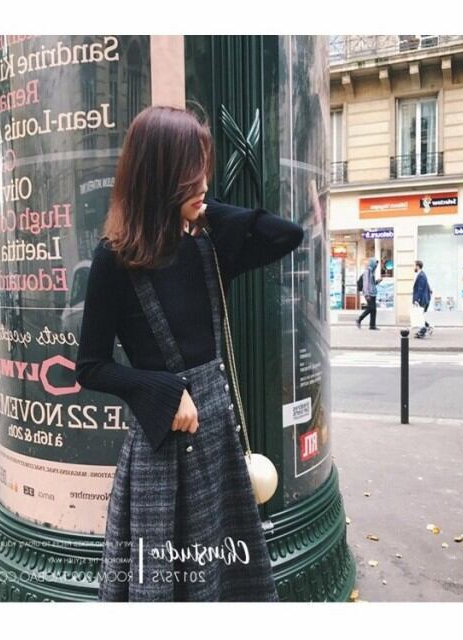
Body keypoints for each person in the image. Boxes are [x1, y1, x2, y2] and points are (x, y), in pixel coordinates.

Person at [75, 105, 304, 602]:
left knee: (223, 583)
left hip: (219, 441)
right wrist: (163, 390)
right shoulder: (114, 259)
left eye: (204, 169)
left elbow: (288, 234)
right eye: (190, 171)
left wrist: (205, 206)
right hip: (163, 448)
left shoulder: (208, 248)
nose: (203, 181)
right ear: (159, 176)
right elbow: (90, 367)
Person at [356, 256, 382, 330]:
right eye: (375, 264)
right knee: (371, 308)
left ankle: (372, 325)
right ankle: (359, 319)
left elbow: (372, 284)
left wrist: (377, 281)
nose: (376, 266)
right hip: (369, 293)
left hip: (373, 293)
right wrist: (367, 294)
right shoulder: (367, 272)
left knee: (373, 309)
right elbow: (366, 284)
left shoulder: (371, 272)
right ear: (372, 263)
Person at [412, 260, 433, 338]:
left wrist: (416, 300)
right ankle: (428, 327)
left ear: (417, 266)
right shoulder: (421, 274)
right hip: (424, 298)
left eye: (414, 266)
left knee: (420, 316)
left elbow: (420, 289)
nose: (413, 267)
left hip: (422, 299)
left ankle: (422, 332)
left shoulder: (421, 275)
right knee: (420, 315)